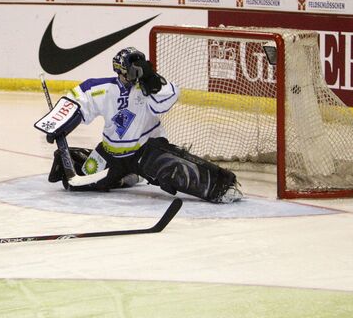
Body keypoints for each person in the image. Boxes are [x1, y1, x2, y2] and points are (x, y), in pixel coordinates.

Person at [42, 47, 243, 204]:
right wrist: (61, 124)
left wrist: (151, 79)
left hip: (146, 152)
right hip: (112, 154)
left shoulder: (149, 88)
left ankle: (221, 185)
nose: (133, 75)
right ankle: (126, 175)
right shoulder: (102, 88)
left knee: (172, 170)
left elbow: (168, 97)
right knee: (77, 185)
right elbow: (77, 100)